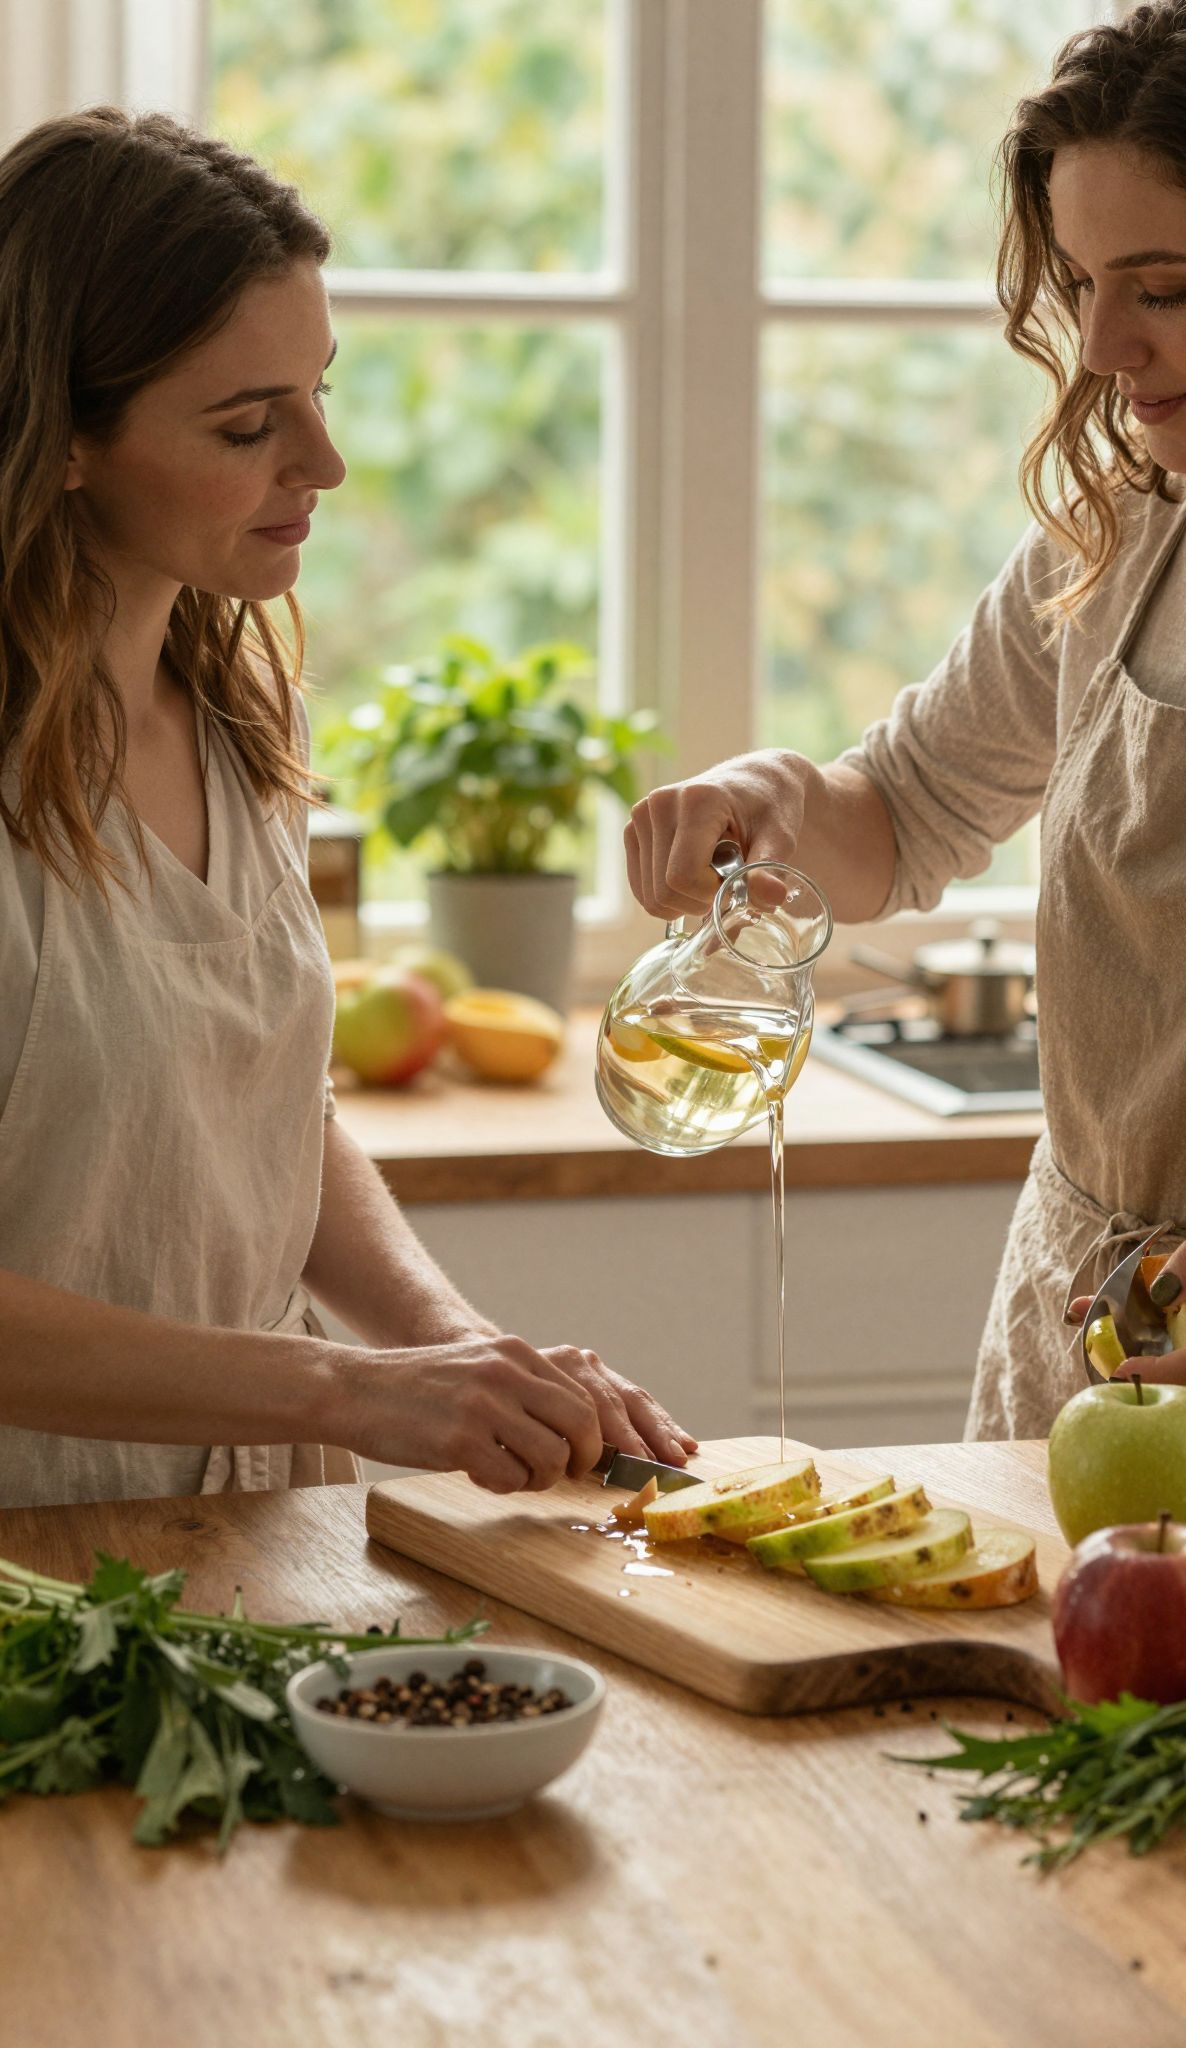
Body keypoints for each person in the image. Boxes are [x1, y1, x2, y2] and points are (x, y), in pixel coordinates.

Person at [626, 0, 1186, 1437]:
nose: (1104, 345)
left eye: (1163, 289)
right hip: (1074, 1378)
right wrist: (778, 800)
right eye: (1083, 281)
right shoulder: (1114, 545)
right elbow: (901, 820)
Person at [0, 107, 696, 1509]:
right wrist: (349, 1387)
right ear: (62, 438)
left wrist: (455, 1347)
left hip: (264, 1529)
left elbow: (261, 1110)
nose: (321, 462)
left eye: (318, 392)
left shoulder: (243, 727)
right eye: (249, 424)